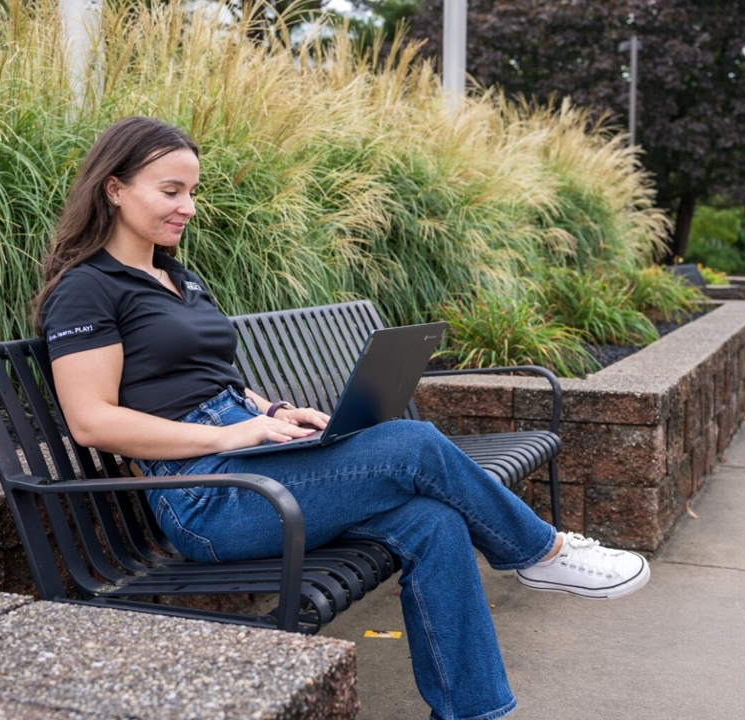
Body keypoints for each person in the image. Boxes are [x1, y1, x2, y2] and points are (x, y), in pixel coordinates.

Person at [35, 116, 650, 720]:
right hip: (206, 497)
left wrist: (273, 411)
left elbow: (212, 381)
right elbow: (91, 422)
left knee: (432, 521)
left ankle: (473, 712)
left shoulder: (176, 276)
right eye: (171, 192)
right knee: (412, 443)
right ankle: (543, 553)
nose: (188, 207)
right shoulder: (87, 288)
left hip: (247, 458)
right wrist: (227, 432)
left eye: (192, 191)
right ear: (114, 189)